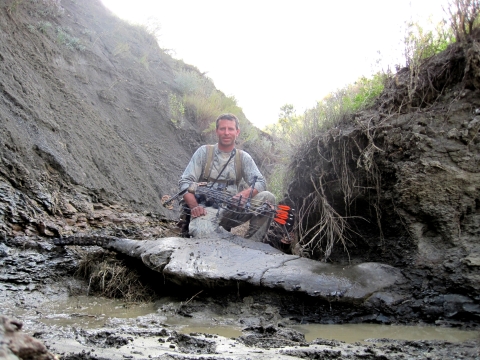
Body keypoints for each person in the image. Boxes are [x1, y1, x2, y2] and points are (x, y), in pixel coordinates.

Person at [178, 113, 275, 241]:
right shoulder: (204, 152)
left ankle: (252, 246)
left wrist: (245, 195)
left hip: (233, 209)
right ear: (217, 131)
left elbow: (260, 182)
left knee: (268, 199)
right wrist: (195, 206)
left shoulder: (243, 157)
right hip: (207, 209)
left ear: (237, 132)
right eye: (222, 128)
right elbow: (185, 182)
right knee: (203, 233)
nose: (226, 133)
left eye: (230, 129)